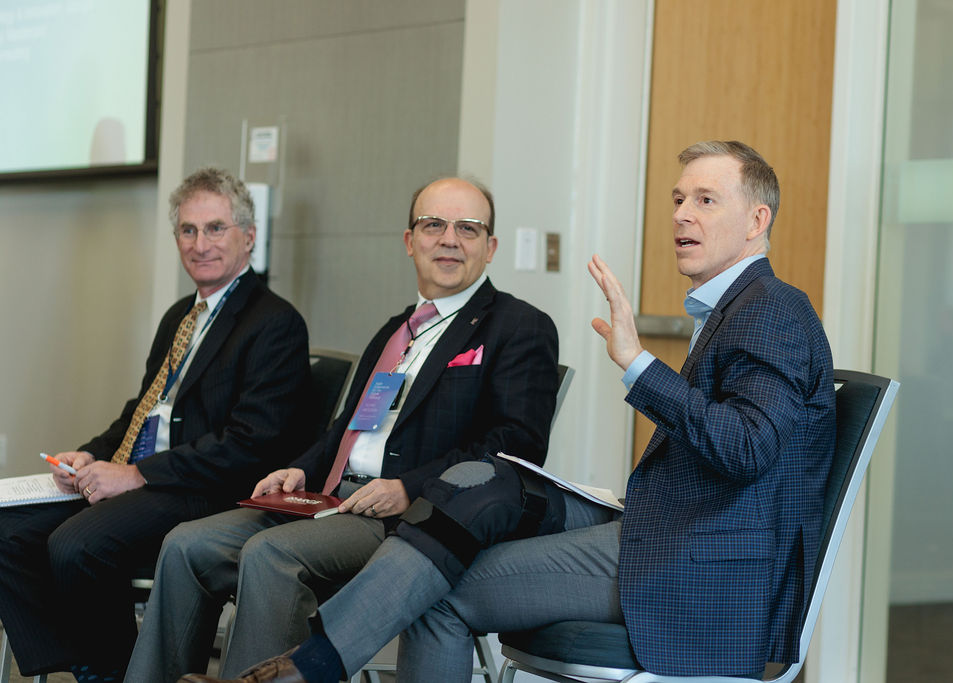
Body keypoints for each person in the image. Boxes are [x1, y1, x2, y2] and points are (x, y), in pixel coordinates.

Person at [180, 140, 836, 683]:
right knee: (475, 509)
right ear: (409, 240)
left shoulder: (773, 310)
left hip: (697, 566)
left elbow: (748, 447)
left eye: (706, 200)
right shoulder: (735, 311)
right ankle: (309, 667)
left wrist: (638, 364)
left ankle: (308, 667)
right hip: (661, 532)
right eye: (677, 198)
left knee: (457, 547)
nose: (682, 215)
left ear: (757, 221)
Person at [127, 177, 560, 682]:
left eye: (468, 228)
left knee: (271, 555)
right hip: (332, 501)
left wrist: (408, 488)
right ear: (408, 241)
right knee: (185, 545)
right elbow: (348, 430)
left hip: (415, 519)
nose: (449, 239)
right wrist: (298, 469)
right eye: (433, 225)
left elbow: (516, 445)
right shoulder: (398, 330)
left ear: (491, 247)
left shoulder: (517, 326)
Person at [0, 167, 314, 683]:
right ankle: (76, 661)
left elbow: (252, 445)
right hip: (145, 479)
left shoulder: (274, 323)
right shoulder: (180, 317)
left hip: (205, 489)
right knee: (9, 534)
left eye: (216, 228)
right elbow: (143, 411)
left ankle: (116, 673)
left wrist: (137, 475)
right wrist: (88, 455)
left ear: (248, 237)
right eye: (187, 231)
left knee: (76, 545)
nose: (200, 244)